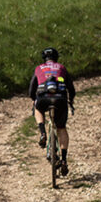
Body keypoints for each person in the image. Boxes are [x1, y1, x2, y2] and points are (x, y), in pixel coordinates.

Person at [29, 47, 76, 176]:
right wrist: (71, 100)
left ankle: (43, 133)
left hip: (43, 98)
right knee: (61, 128)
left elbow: (32, 88)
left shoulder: (39, 68)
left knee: (38, 109)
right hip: (60, 99)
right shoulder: (61, 68)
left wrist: (34, 99)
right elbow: (71, 88)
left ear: (44, 58)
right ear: (56, 58)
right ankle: (64, 160)